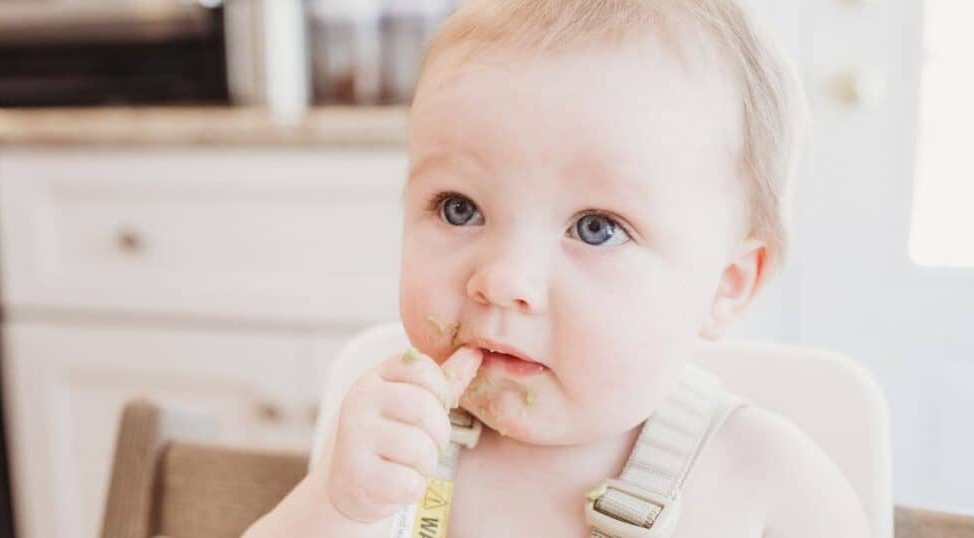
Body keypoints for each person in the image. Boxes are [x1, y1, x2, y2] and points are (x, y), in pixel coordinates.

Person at [245, 0, 872, 535]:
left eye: (596, 228)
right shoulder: (393, 446)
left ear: (725, 287)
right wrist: (335, 505)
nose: (501, 280)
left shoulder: (772, 490)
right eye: (460, 209)